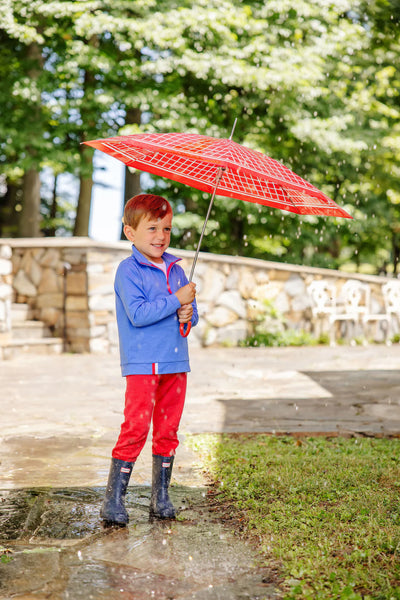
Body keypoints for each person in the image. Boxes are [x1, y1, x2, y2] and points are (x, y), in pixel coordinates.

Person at [100, 193, 198, 526]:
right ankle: (114, 499)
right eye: (152, 228)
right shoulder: (129, 270)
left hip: (175, 365)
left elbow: (190, 318)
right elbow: (139, 315)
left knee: (168, 430)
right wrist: (175, 301)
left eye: (167, 229)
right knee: (136, 427)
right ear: (130, 232)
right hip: (144, 365)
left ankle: (161, 497)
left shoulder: (176, 270)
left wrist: (187, 310)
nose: (160, 236)